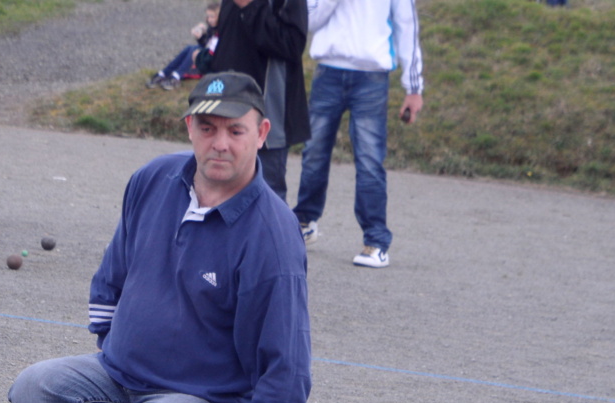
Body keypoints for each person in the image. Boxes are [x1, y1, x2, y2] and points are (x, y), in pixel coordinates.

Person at [9, 72, 311, 403]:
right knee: (35, 390)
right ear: (189, 126)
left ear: (261, 134)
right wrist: (114, 344)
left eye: (235, 131)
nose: (220, 143)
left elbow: (287, 361)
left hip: (207, 400)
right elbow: (116, 267)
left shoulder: (272, 235)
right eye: (208, 128)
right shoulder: (153, 180)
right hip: (124, 373)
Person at [293, 0, 424, 268]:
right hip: (327, 71)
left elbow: (406, 26)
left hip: (371, 76)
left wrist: (413, 87)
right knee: (313, 153)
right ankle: (304, 223)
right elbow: (307, 21)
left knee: (369, 161)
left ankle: (376, 241)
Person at [196, 0, 309, 202]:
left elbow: (291, 45)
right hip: (220, 106)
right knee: (216, 193)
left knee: (265, 197)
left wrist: (249, 6)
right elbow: (227, 45)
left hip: (264, 114)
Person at [146, 1, 219, 91]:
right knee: (190, 47)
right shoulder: (212, 28)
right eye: (208, 16)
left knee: (194, 49)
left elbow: (211, 50)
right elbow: (206, 45)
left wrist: (202, 41)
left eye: (212, 17)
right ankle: (163, 74)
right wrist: (200, 37)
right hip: (205, 58)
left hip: (210, 64)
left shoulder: (220, 30)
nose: (209, 19)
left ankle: (176, 77)